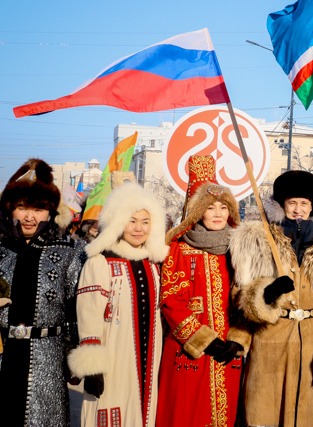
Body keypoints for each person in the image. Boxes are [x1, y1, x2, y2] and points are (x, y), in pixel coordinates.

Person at [230, 170, 313, 427]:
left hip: (312, 342)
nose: (298, 210)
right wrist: (266, 293)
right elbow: (239, 295)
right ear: (281, 205)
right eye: (292, 203)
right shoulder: (257, 239)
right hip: (271, 338)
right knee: (265, 409)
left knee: (305, 412)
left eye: (304, 203)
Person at [68, 183, 168, 427]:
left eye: (145, 222)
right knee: (112, 408)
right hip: (113, 356)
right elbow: (89, 312)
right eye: (131, 221)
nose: (138, 228)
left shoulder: (155, 264)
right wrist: (93, 366)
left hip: (151, 356)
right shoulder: (101, 262)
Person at [156, 176, 249, 427]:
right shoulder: (179, 248)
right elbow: (171, 300)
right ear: (198, 211)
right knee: (186, 414)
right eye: (210, 207)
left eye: (223, 207)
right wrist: (203, 340)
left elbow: (245, 299)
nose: (218, 213)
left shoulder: (238, 250)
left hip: (228, 350)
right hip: (189, 350)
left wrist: (239, 338)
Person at [0, 158, 84, 427]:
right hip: (4, 353)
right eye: (22, 208)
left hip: (48, 357)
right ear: (10, 209)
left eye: (38, 209)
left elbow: (76, 308)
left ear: (50, 212)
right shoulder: (1, 249)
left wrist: (77, 355)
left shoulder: (69, 250)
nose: (29, 217)